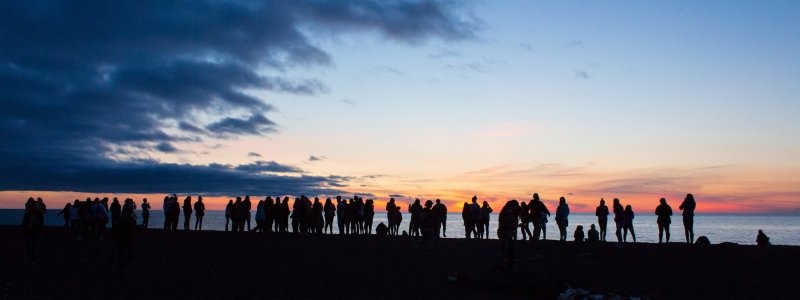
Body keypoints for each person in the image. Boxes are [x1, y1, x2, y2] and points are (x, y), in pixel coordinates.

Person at [493, 200, 520, 271]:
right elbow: (508, 224)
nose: (517, 207)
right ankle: (498, 265)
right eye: (516, 206)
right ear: (513, 205)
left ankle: (499, 264)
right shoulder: (508, 213)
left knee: (504, 250)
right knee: (503, 251)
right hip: (505, 233)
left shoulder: (506, 212)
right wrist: (514, 225)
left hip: (504, 232)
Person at [112, 201, 137, 271]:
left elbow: (115, 229)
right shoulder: (132, 220)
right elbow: (133, 231)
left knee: (121, 253)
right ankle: (123, 266)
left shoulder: (120, 219)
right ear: (131, 212)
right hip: (128, 239)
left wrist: (113, 238)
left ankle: (120, 265)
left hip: (120, 239)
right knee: (130, 254)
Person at [21, 197, 45, 265]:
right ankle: (31, 260)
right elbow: (42, 222)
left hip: (31, 230)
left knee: (29, 245)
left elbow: (24, 221)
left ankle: (29, 259)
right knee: (32, 245)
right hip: (33, 230)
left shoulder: (29, 211)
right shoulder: (37, 211)